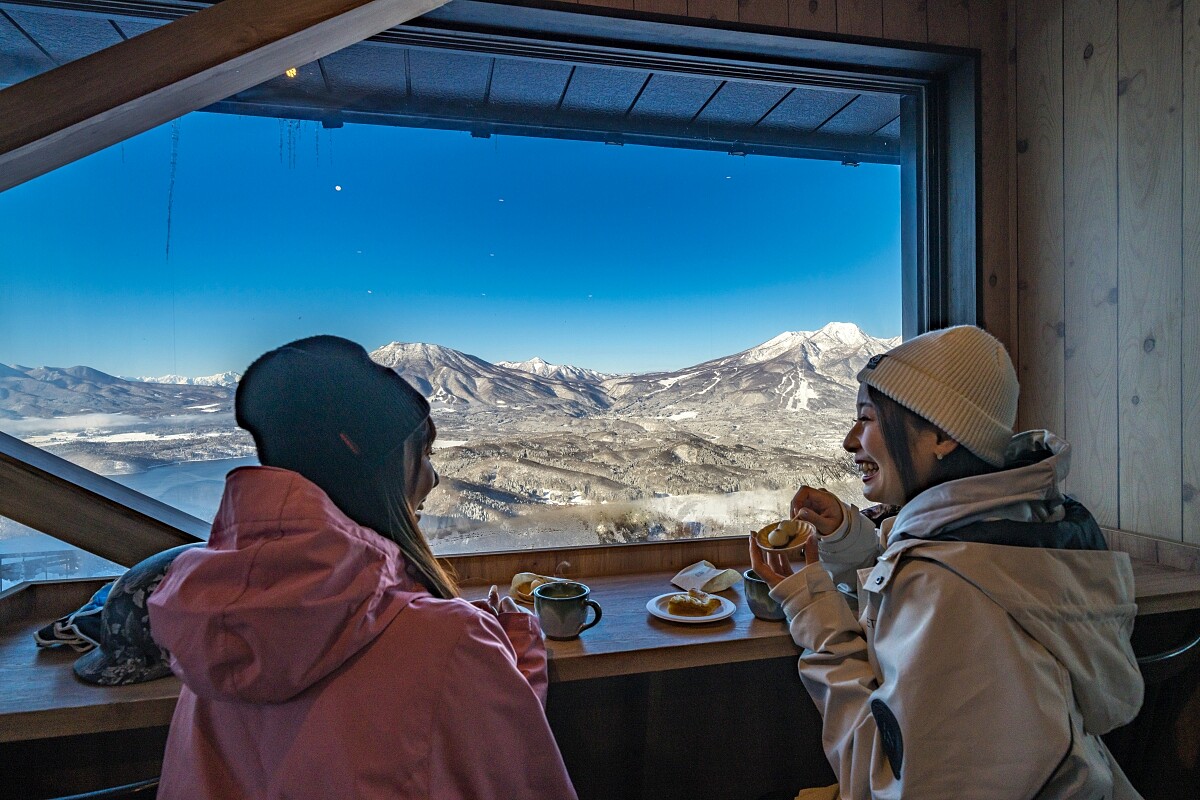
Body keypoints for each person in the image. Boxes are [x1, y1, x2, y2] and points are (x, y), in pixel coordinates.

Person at [148, 335, 577, 800]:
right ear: (380, 470)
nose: (432, 478)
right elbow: (510, 779)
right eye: (424, 455)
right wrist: (504, 652)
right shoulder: (452, 643)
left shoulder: (218, 632)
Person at [749, 325, 1143, 799]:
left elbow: (886, 783)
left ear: (939, 435)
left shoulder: (952, 594)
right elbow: (925, 571)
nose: (851, 441)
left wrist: (814, 613)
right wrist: (846, 538)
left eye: (868, 418)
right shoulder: (1016, 531)